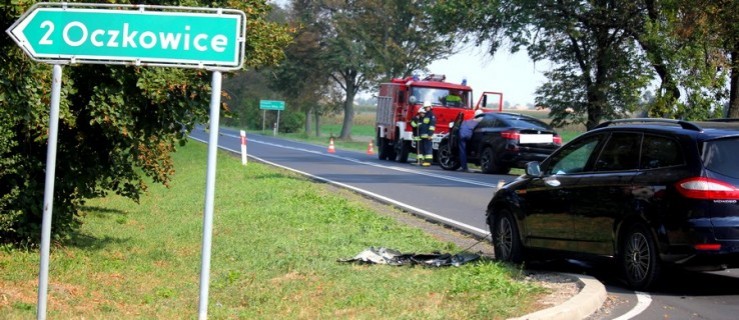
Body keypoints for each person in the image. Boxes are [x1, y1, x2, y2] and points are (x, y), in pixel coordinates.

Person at [410, 101, 436, 166]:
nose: (426, 108)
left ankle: (428, 162)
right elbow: (423, 125)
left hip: (428, 136)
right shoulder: (426, 115)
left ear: (430, 107)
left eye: (427, 107)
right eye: (425, 107)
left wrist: (430, 134)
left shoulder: (431, 115)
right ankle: (423, 161)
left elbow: (432, 126)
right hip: (422, 135)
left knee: (428, 149)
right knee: (423, 149)